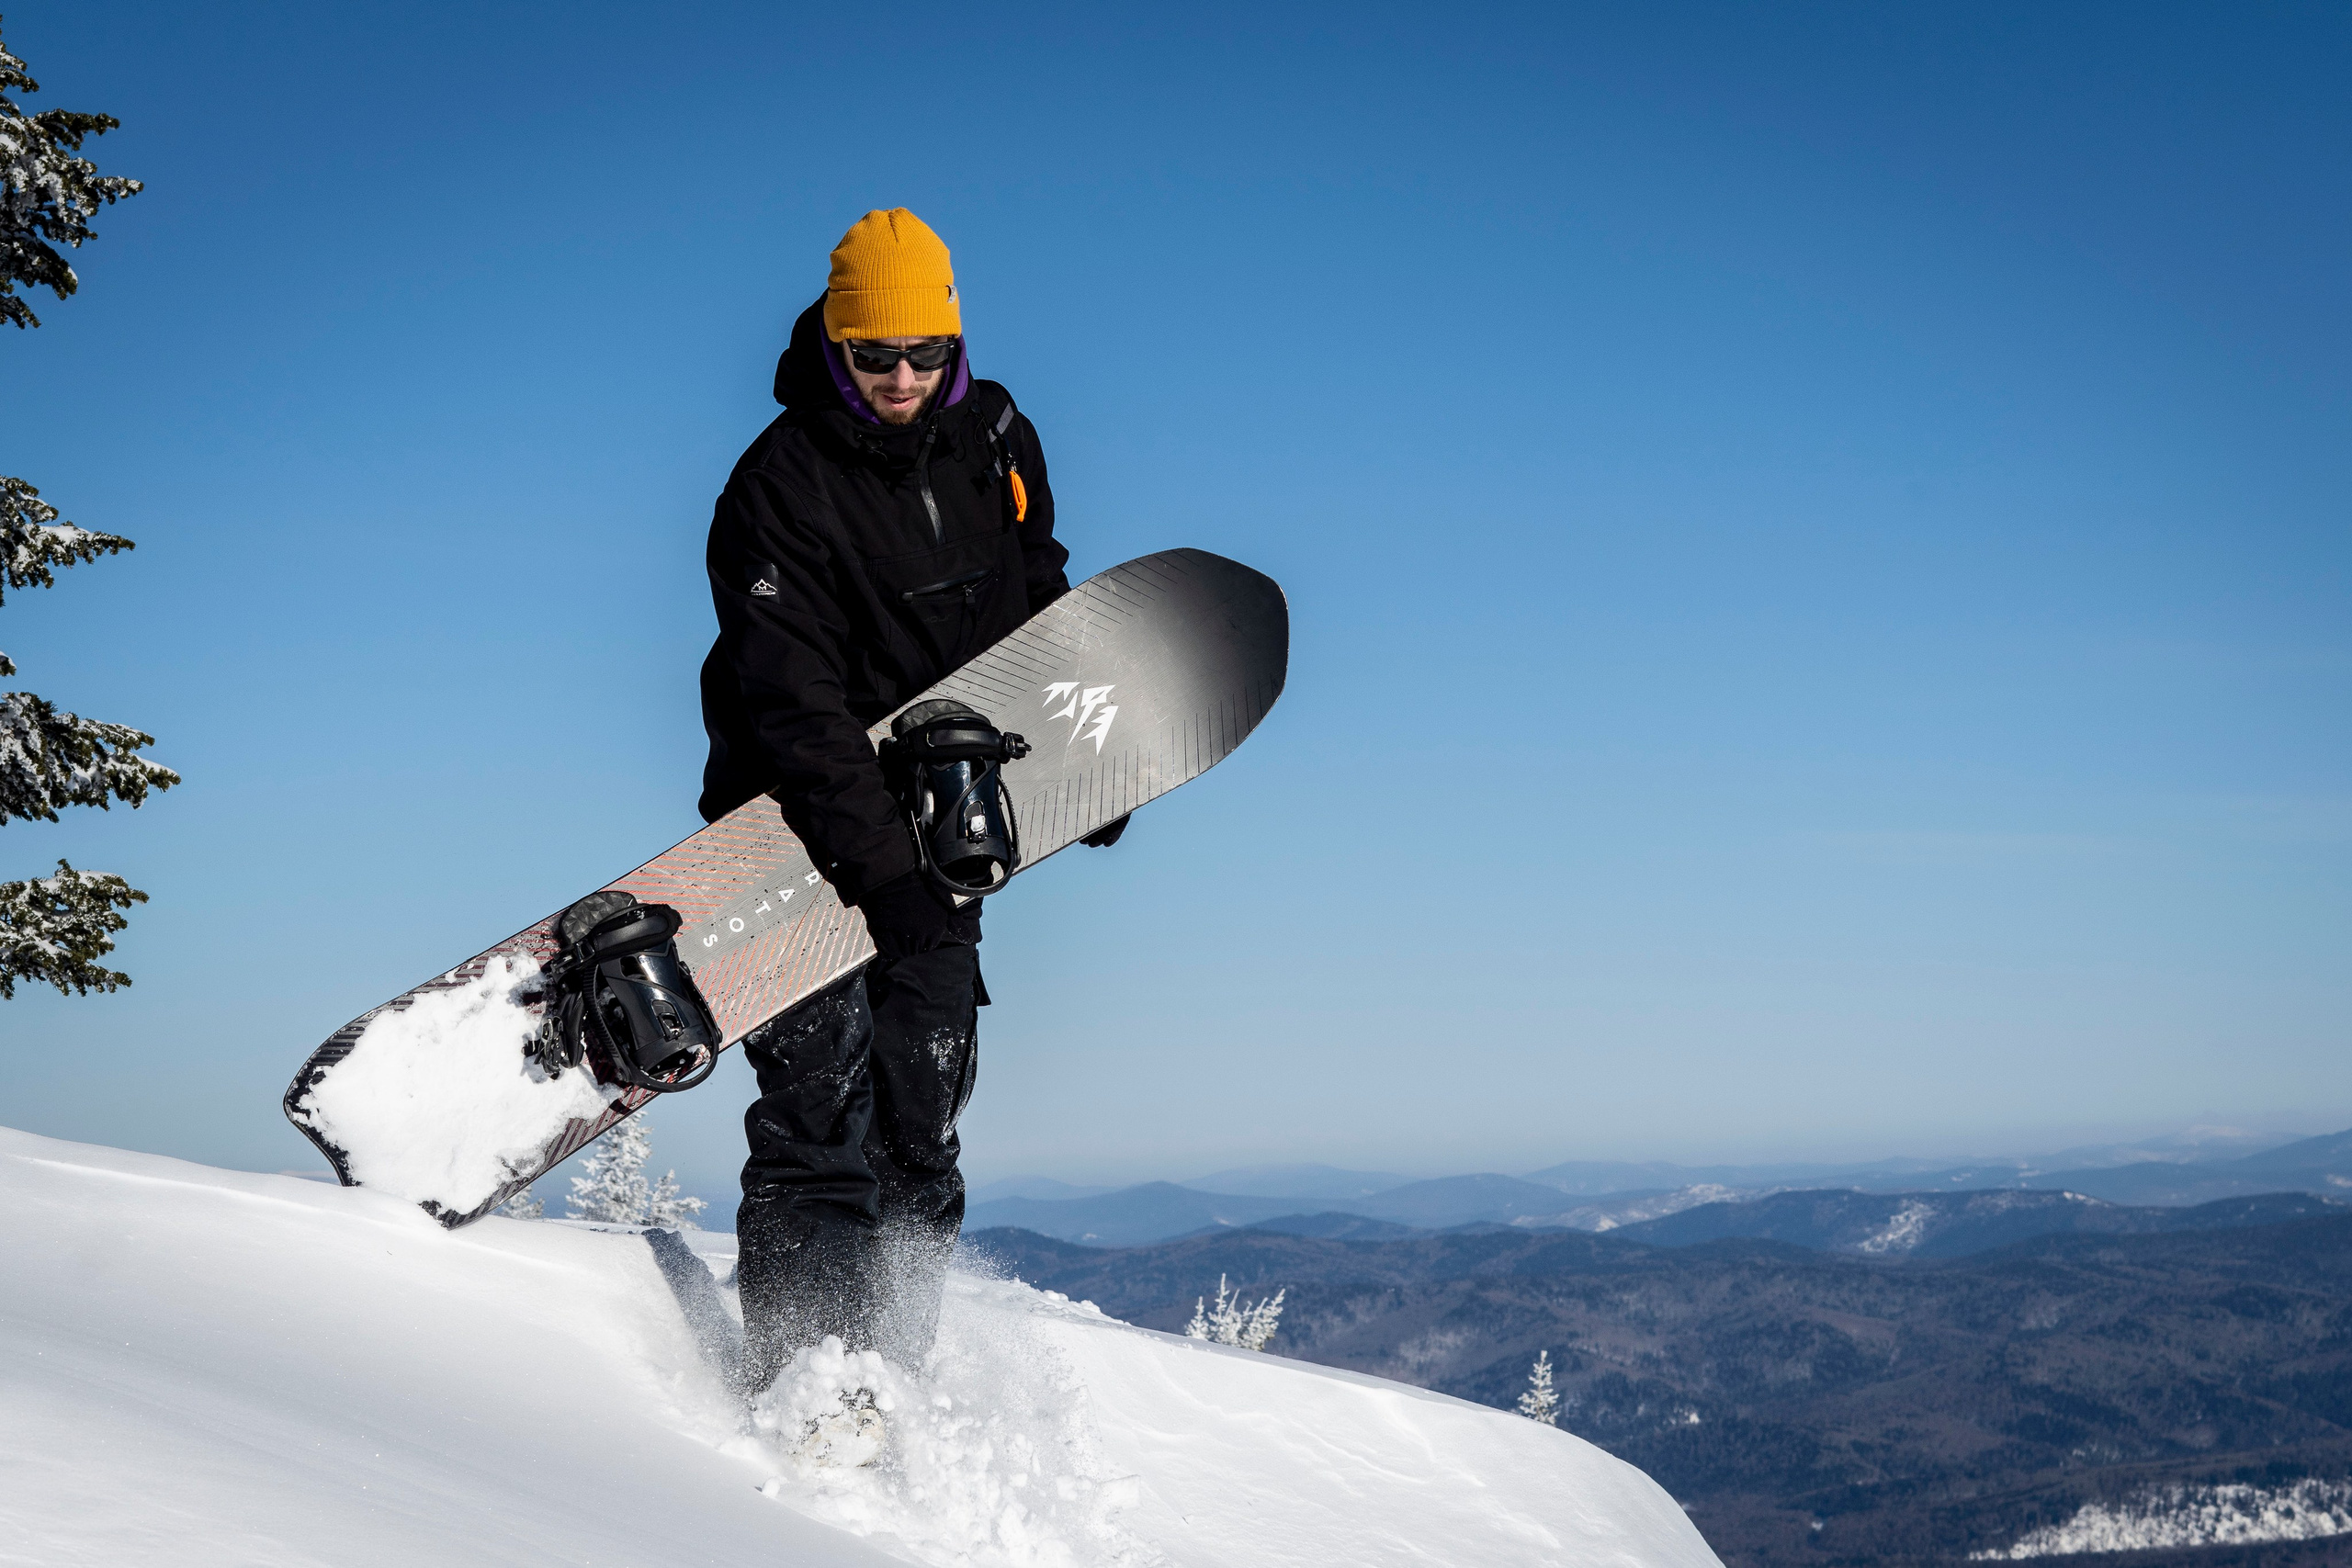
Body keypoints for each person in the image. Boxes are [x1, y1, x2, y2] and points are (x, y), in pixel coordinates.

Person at [696, 209, 1071, 1391]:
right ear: (835, 349)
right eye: (874, 357)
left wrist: (1074, 773)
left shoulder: (998, 439)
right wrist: (887, 880)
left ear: (954, 344)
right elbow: (791, 714)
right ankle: (812, 1384)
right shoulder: (776, 488)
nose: (903, 379)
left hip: (935, 829)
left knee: (922, 1106)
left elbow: (1035, 592)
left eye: (924, 354)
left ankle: (895, 1361)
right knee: (821, 1117)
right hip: (796, 833)